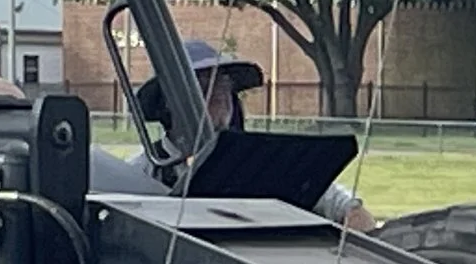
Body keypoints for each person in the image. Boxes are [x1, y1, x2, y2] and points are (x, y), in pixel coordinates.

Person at [136, 39, 373, 230]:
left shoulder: (258, 160)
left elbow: (347, 208)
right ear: (168, 101)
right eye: (200, 85)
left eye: (223, 84)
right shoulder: (142, 172)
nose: (217, 94)